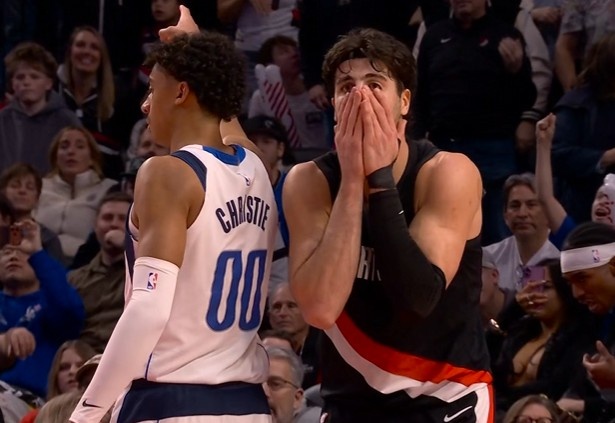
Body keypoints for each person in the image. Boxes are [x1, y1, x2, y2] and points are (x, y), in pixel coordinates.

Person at [70, 7, 277, 423]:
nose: (146, 105)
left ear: (181, 93)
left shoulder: (167, 173)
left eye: (153, 88)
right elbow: (225, 118)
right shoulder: (256, 167)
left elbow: (149, 309)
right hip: (248, 405)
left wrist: (85, 414)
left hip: (172, 401)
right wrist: (195, 46)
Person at [283, 28, 491, 421]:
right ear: (333, 103)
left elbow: (417, 300)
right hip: (351, 402)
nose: (360, 96)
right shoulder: (309, 182)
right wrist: (351, 180)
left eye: (375, 84)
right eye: (347, 87)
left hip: (445, 395)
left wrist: (378, 178)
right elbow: (320, 309)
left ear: (404, 102)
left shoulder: (447, 172)